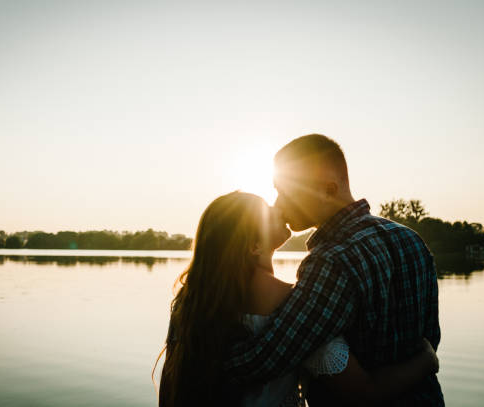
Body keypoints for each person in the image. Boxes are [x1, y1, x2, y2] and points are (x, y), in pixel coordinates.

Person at [155, 190, 439, 406]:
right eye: (267, 210)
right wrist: (426, 361)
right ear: (254, 246)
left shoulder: (190, 302)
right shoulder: (300, 304)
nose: (277, 208)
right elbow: (364, 392)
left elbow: (170, 391)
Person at [223, 134, 444, 406]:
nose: (278, 203)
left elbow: (268, 358)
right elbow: (430, 338)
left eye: (288, 192)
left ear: (328, 189)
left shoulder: (332, 261)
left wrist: (199, 356)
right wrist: (426, 362)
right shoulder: (413, 241)